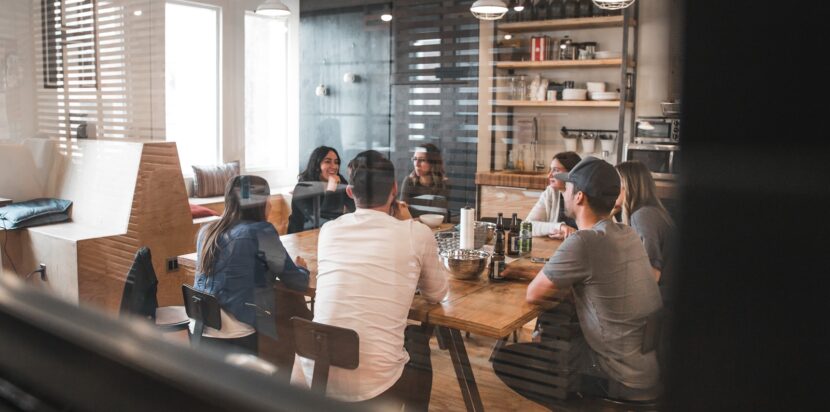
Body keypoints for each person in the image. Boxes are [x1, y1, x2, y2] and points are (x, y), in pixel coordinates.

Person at [493, 157, 663, 405]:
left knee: (506, 360)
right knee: (559, 331)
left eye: (568, 187)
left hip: (614, 376)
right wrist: (519, 272)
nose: (563, 192)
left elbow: (534, 295)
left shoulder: (584, 241)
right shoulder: (626, 233)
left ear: (580, 196)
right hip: (643, 368)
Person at [296, 150, 448, 408]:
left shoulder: (329, 231)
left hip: (316, 371)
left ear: (350, 192)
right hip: (374, 384)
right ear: (394, 189)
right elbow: (437, 293)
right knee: (418, 343)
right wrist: (408, 221)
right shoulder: (416, 233)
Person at [192, 175, 310, 355]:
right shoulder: (261, 232)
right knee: (289, 313)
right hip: (236, 333)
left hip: (201, 328)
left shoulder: (207, 231)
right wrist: (302, 268)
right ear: (261, 202)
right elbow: (297, 282)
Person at [287, 146, 356, 234]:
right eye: (327, 162)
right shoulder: (302, 188)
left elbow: (354, 208)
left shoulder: (339, 181)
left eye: (336, 162)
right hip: (301, 237)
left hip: (329, 234)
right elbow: (322, 220)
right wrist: (331, 189)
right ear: (316, 166)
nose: (334, 166)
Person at [525, 151, 581, 239]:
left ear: (571, 173)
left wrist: (571, 234)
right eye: (550, 169)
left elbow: (594, 233)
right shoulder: (550, 192)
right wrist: (560, 227)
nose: (549, 175)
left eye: (556, 170)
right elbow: (526, 227)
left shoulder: (584, 195)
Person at [399, 143, 450, 219]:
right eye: (415, 159)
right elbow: (401, 212)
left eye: (422, 160)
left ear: (433, 163)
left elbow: (437, 217)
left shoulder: (443, 184)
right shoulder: (409, 181)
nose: (417, 164)